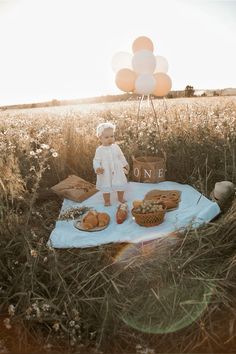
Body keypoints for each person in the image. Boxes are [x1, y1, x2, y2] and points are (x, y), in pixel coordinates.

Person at [93, 122, 129, 206]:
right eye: (106, 137)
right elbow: (96, 160)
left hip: (117, 170)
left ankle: (120, 198)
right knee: (106, 185)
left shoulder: (116, 147)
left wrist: (125, 164)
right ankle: (107, 200)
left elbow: (121, 156)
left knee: (120, 183)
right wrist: (98, 168)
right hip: (105, 171)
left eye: (112, 136)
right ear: (100, 138)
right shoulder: (99, 150)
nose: (110, 139)